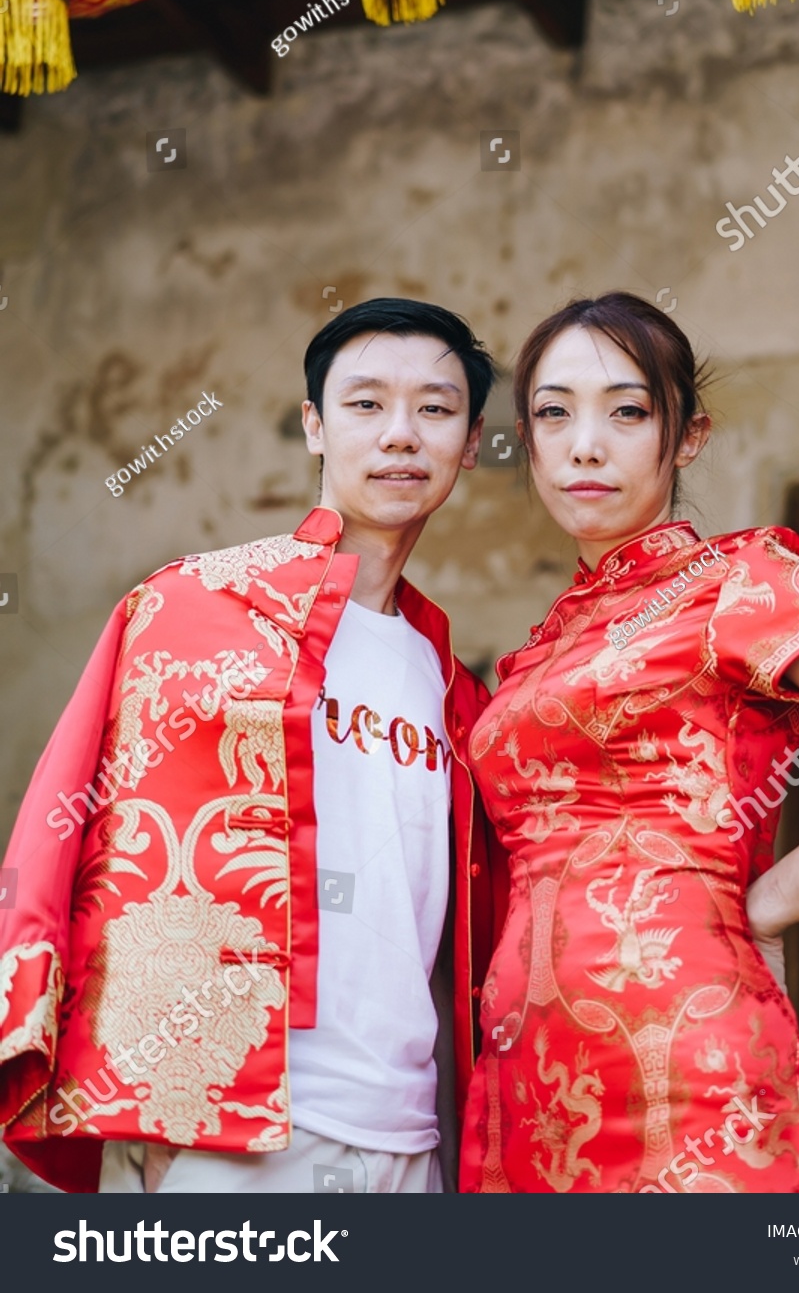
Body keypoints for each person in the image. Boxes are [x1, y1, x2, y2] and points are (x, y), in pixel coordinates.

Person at [458, 291, 799, 1194]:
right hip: (531, 1072)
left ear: (689, 435)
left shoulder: (740, 582)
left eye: (627, 411)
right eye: (553, 413)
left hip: (689, 1061)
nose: (584, 443)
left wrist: (768, 905)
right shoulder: (541, 650)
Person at [0, 298, 505, 1194]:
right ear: (313, 425)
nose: (400, 434)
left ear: (469, 443)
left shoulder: (460, 694)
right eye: (363, 405)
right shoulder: (190, 609)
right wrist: (141, 1091)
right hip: (230, 1132)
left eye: (435, 408)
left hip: (412, 1135)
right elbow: (65, 836)